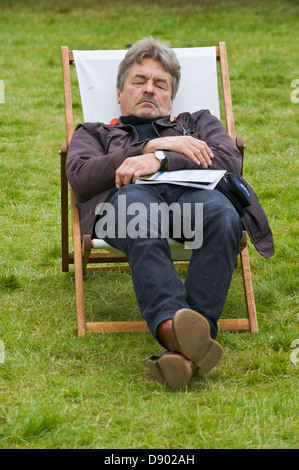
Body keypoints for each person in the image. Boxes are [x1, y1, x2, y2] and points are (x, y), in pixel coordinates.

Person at [66, 37, 274, 390]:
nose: (149, 89)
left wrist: (160, 160)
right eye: (139, 81)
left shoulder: (197, 122)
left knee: (224, 217)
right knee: (139, 218)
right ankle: (175, 331)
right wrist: (149, 146)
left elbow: (228, 161)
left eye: (160, 84)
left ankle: (181, 352)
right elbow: (83, 178)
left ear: (171, 98)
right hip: (128, 203)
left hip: (194, 201)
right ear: (119, 92)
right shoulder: (94, 132)